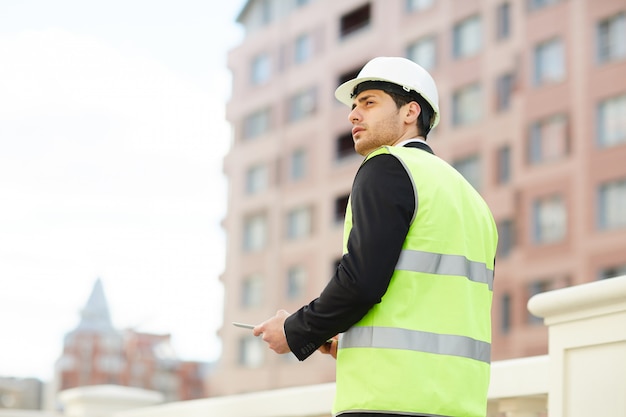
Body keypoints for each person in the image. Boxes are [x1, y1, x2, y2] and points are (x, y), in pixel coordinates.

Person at [253, 56, 498, 417]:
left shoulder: (387, 166)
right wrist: (347, 339)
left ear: (410, 111)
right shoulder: (471, 199)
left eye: (369, 103)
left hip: (388, 400)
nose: (353, 115)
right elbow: (431, 302)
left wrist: (295, 330)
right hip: (460, 403)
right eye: (353, 106)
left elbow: (362, 282)